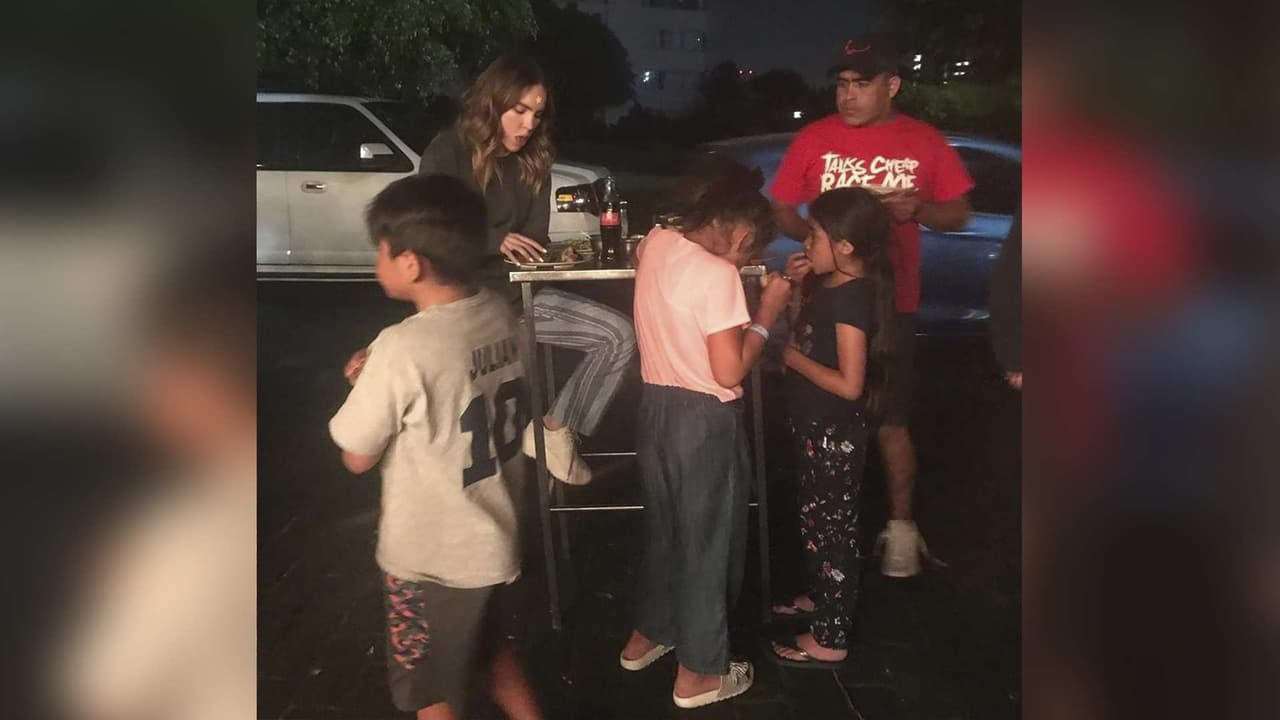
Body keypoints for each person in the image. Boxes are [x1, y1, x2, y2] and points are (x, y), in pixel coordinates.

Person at [329, 174, 542, 720]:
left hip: (432, 561)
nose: (376, 262)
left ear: (410, 263)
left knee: (430, 688)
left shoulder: (402, 348)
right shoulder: (497, 311)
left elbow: (357, 456)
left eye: (379, 250)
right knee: (490, 653)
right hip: (495, 540)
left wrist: (368, 384)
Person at [771, 33, 974, 577]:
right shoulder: (815, 138)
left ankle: (901, 527)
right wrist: (816, 244)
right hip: (825, 302)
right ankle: (828, 529)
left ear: (893, 85)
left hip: (892, 302)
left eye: (862, 84)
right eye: (842, 85)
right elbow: (782, 207)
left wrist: (918, 210)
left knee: (890, 417)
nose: (848, 96)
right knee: (827, 415)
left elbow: (960, 212)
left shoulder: (924, 140)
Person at [618, 160, 793, 709]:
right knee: (709, 545)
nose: (743, 258)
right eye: (749, 248)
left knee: (667, 531)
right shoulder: (718, 276)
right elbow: (728, 370)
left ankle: (649, 635)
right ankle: (698, 673)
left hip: (655, 410)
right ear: (738, 234)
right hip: (703, 422)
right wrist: (766, 314)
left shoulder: (656, 242)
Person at [416, 52, 635, 486]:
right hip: (464, 310)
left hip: (519, 300)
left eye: (536, 114)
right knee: (479, 443)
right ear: (492, 104)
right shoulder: (448, 152)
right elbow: (426, 229)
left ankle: (553, 430)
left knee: (618, 335)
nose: (529, 124)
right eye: (519, 111)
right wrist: (492, 239)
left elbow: (533, 240)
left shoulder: (535, 160)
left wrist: (559, 255)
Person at [767, 187, 895, 667]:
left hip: (833, 433)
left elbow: (849, 383)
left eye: (815, 235)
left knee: (832, 531)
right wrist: (797, 293)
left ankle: (831, 636)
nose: (805, 242)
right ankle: (824, 598)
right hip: (816, 428)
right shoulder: (832, 286)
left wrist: (792, 359)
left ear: (845, 245)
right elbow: (809, 333)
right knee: (818, 523)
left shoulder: (851, 299)